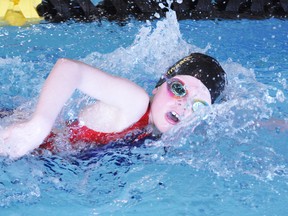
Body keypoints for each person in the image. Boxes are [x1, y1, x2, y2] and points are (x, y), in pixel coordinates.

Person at [0, 53, 226, 159]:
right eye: (179, 89)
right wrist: (37, 126)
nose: (184, 106)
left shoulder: (168, 129)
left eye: (198, 106)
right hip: (15, 138)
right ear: (158, 86)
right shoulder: (134, 103)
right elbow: (69, 69)